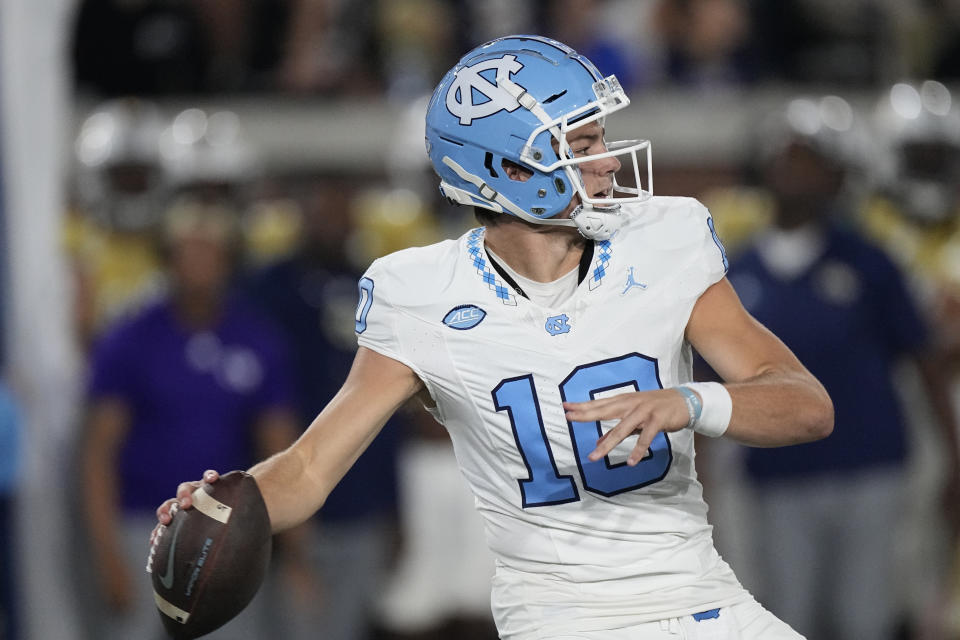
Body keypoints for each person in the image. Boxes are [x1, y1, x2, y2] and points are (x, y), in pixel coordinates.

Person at [155, 35, 833, 639]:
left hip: (701, 593)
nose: (611, 165)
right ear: (511, 170)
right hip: (561, 617)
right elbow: (309, 467)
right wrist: (220, 505)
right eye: (584, 145)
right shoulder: (421, 294)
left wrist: (690, 402)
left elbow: (806, 406)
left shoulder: (664, 238)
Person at [724, 95, 960, 640]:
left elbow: (924, 360)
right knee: (788, 618)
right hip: (778, 474)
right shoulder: (737, 268)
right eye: (787, 157)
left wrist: (950, 457)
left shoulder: (870, 261)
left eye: (810, 159)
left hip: (871, 468)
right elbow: (712, 384)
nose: (795, 170)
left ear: (837, 175)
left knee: (865, 620)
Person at [82, 202, 303, 640]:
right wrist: (106, 556)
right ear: (168, 258)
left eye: (210, 251)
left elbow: (284, 449)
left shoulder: (256, 338)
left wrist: (297, 553)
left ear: (228, 260)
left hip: (226, 530)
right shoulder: (131, 338)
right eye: (188, 251)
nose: (199, 263)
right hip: (141, 524)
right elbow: (97, 453)